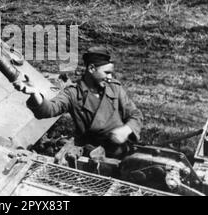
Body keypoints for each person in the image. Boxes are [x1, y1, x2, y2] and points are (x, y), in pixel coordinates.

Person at [14, 46, 143, 159]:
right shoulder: (73, 94)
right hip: (92, 158)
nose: (110, 78)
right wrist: (35, 93)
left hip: (123, 151)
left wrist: (126, 129)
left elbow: (135, 115)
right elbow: (49, 110)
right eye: (107, 73)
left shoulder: (115, 88)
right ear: (92, 68)